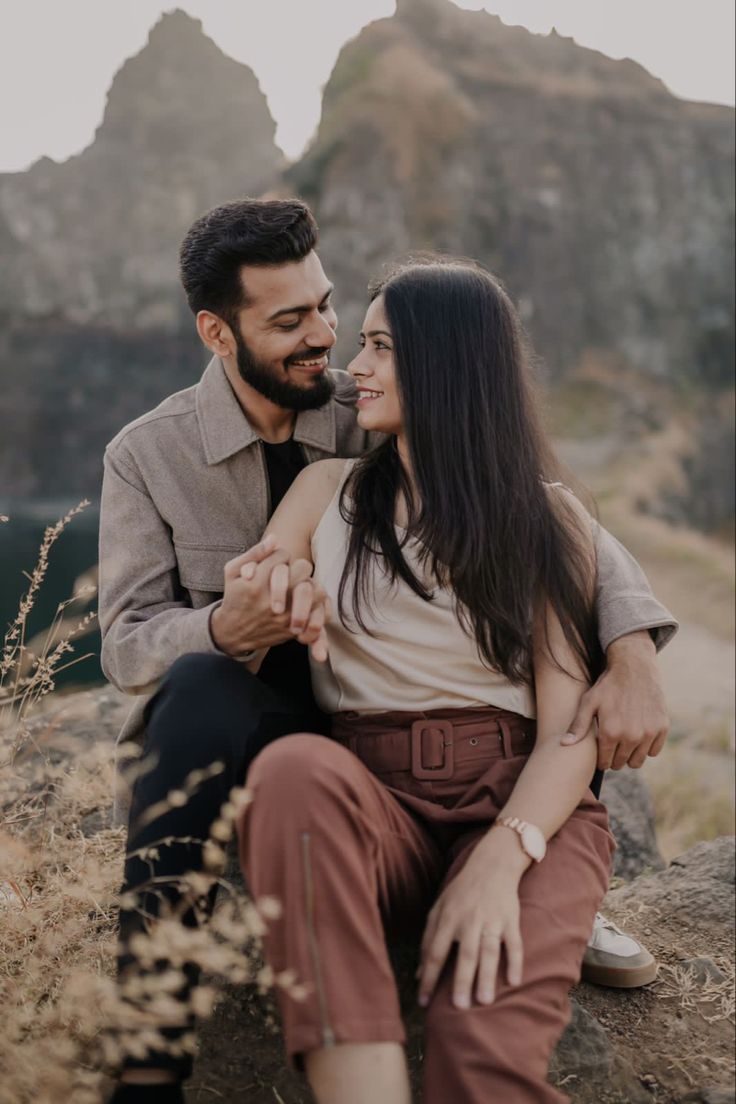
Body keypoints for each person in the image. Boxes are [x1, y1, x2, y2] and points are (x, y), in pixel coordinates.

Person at [99, 199, 675, 1102]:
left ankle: (545, 883)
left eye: (335, 313)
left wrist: (634, 648)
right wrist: (241, 615)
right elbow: (139, 641)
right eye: (292, 323)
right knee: (222, 706)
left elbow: (552, 519)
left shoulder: (378, 414)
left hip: (491, 763)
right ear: (219, 333)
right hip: (308, 736)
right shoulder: (154, 456)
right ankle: (150, 1050)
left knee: (480, 1045)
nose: (329, 345)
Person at [235, 258, 638, 1102]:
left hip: (524, 806)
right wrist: (279, 588)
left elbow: (571, 727)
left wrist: (505, 855)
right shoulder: (324, 490)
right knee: (291, 771)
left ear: (448, 362)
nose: (355, 366)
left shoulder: (544, 515)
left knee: (477, 1050)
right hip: (374, 805)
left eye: (380, 347)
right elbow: (257, 585)